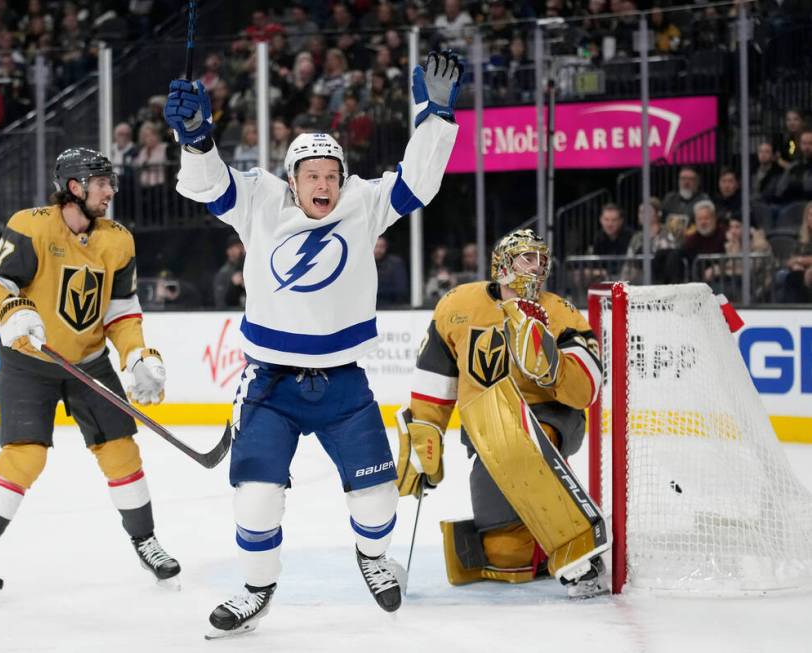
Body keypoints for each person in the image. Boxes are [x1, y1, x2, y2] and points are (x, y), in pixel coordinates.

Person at [165, 50, 463, 637]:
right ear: (292, 179)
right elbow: (208, 186)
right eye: (312, 176)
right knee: (255, 499)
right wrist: (197, 137)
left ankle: (374, 559)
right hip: (270, 385)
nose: (323, 185)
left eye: (331, 175)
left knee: (378, 502)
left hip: (342, 384)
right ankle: (257, 590)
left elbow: (419, 182)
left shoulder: (362, 204)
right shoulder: (260, 200)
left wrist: (435, 114)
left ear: (341, 180)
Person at [0, 147, 178, 605]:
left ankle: (145, 543)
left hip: (89, 362)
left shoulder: (118, 240)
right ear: (75, 187)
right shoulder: (31, 226)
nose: (111, 190)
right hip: (30, 362)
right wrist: (10, 308)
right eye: (102, 183)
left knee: (121, 453)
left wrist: (136, 356)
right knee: (25, 456)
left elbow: (121, 311)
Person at [396, 228, 608, 599]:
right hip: (486, 428)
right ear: (503, 263)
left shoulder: (559, 312)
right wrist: (425, 432)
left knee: (519, 446)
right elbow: (436, 375)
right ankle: (539, 545)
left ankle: (580, 551)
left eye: (543, 260)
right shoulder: (457, 305)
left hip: (551, 417)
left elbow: (588, 386)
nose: (538, 266)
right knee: (506, 555)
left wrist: (554, 367)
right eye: (528, 257)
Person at [212, 233, 246, 309]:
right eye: (238, 247)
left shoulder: (249, 267)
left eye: (242, 247)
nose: (241, 250)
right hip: (232, 312)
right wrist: (233, 285)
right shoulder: (224, 273)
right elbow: (220, 301)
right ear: (229, 251)